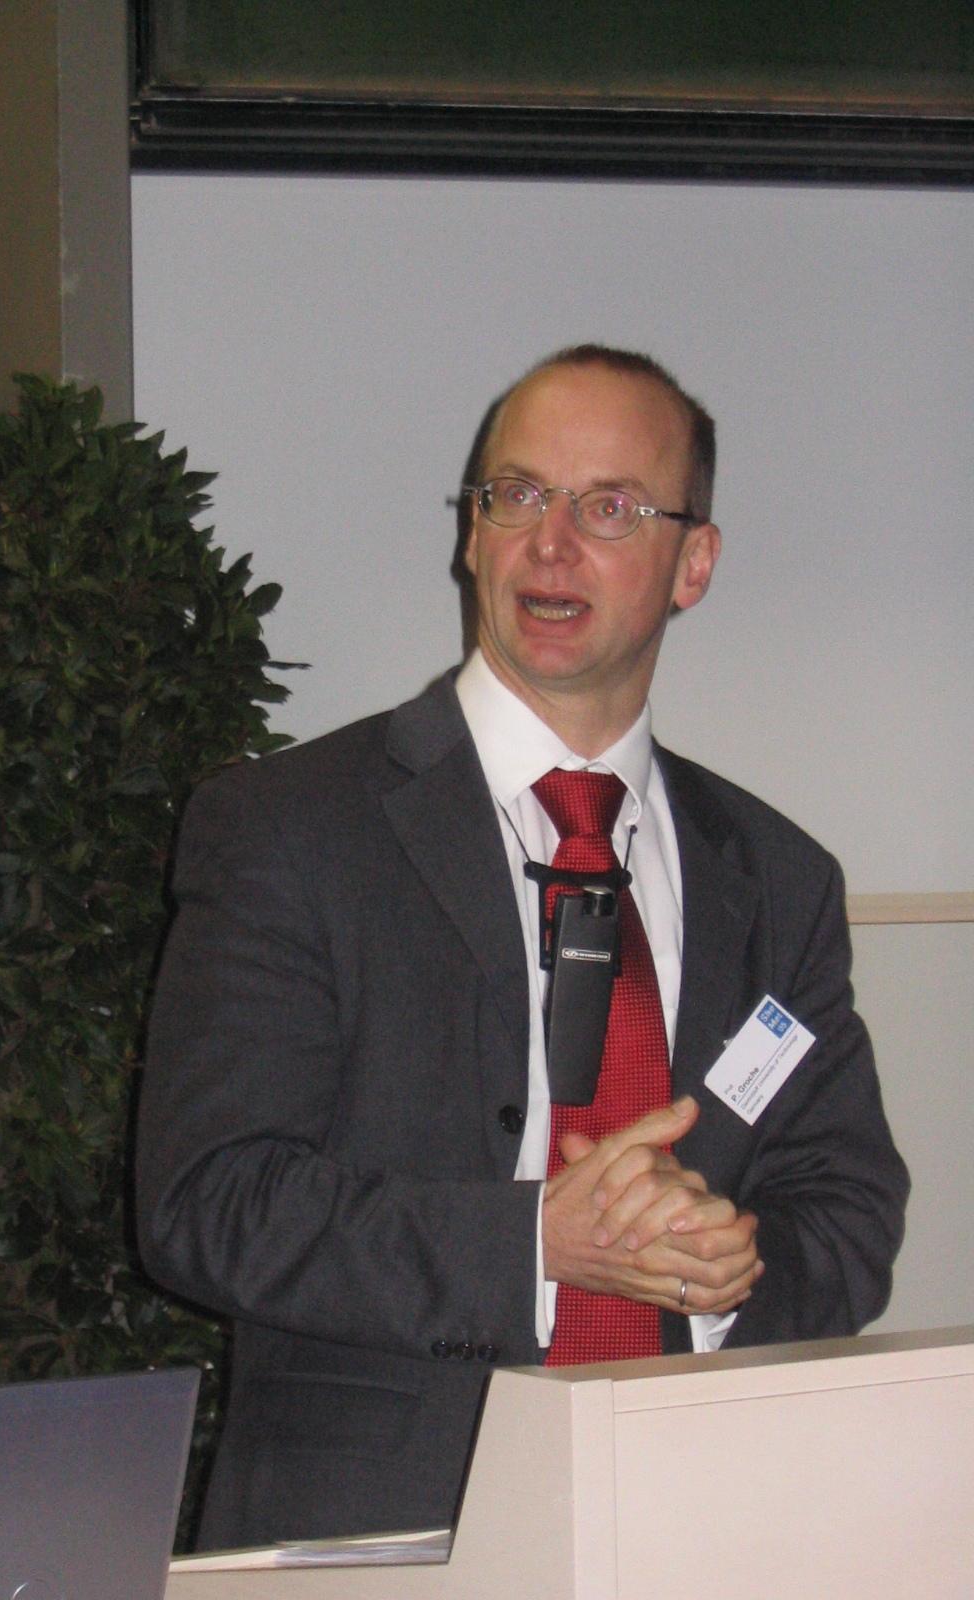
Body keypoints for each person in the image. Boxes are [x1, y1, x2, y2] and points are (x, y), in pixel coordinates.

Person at [136, 345, 908, 1549]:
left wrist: (729, 1270)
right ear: (471, 532)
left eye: (610, 508)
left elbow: (848, 1209)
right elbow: (209, 1199)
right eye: (518, 494)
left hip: (704, 1523)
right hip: (383, 1534)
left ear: (694, 563)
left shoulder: (778, 878)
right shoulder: (289, 828)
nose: (551, 544)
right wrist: (535, 1244)